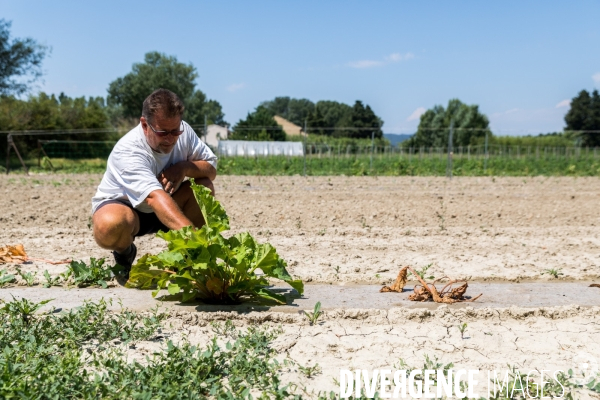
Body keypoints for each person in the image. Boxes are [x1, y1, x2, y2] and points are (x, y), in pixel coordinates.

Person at [91, 88, 217, 279]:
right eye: (162, 132)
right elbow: (153, 197)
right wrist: (195, 240)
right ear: (144, 125)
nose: (170, 138)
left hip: (168, 205)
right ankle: (125, 253)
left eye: (175, 131)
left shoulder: (184, 132)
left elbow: (211, 169)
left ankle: (186, 260)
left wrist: (184, 167)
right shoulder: (129, 150)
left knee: (203, 187)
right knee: (108, 225)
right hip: (128, 210)